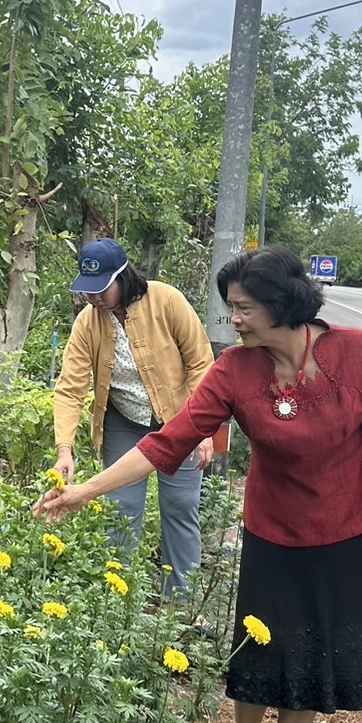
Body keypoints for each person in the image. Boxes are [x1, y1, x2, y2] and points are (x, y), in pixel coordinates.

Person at [36, 247, 362, 723]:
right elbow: (167, 441)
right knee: (261, 657)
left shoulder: (357, 353)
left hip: (346, 534)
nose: (233, 319)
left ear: (280, 303)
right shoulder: (236, 371)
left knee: (317, 660)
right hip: (275, 533)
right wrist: (83, 492)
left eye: (242, 308)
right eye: (230, 308)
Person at [52, 239, 215, 594]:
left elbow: (201, 362)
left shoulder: (166, 300)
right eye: (88, 291)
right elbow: (70, 387)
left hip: (180, 419)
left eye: (101, 290)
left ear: (123, 277)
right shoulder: (87, 323)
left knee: (180, 505)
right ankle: (118, 599)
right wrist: (65, 447)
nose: (94, 299)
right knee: (120, 508)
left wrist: (204, 429)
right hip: (124, 420)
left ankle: (180, 600)